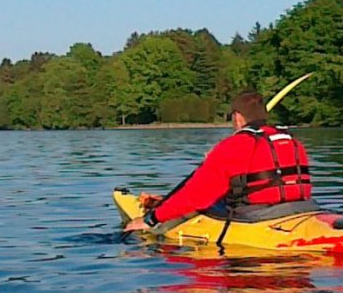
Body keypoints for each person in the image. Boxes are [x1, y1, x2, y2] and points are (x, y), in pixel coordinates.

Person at [126, 90, 312, 229]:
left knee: (197, 206)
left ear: (238, 117)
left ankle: (161, 208)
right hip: (304, 209)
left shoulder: (232, 146)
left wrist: (150, 220)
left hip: (256, 218)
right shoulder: (293, 141)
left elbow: (195, 196)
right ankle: (163, 203)